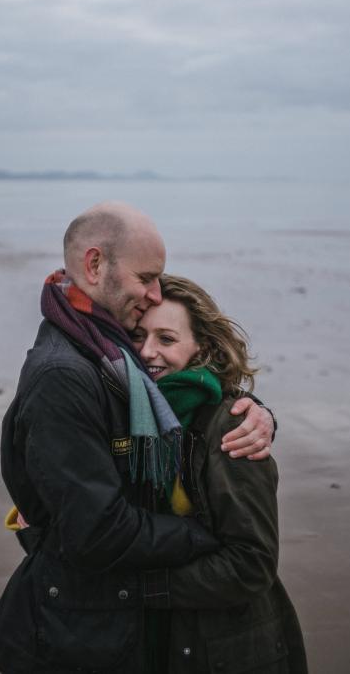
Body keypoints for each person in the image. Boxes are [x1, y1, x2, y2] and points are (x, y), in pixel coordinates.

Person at [0, 202, 276, 673]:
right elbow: (95, 531)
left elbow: (193, 399)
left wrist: (257, 413)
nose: (153, 291)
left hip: (112, 634)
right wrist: (204, 535)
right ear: (95, 264)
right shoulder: (67, 372)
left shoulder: (113, 355)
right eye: (146, 277)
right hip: (69, 640)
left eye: (165, 338)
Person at [130, 273, 306, 673]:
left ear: (202, 346)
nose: (147, 351)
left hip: (229, 648)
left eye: (167, 339)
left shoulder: (233, 427)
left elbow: (252, 562)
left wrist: (141, 588)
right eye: (138, 336)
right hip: (161, 639)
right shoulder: (129, 413)